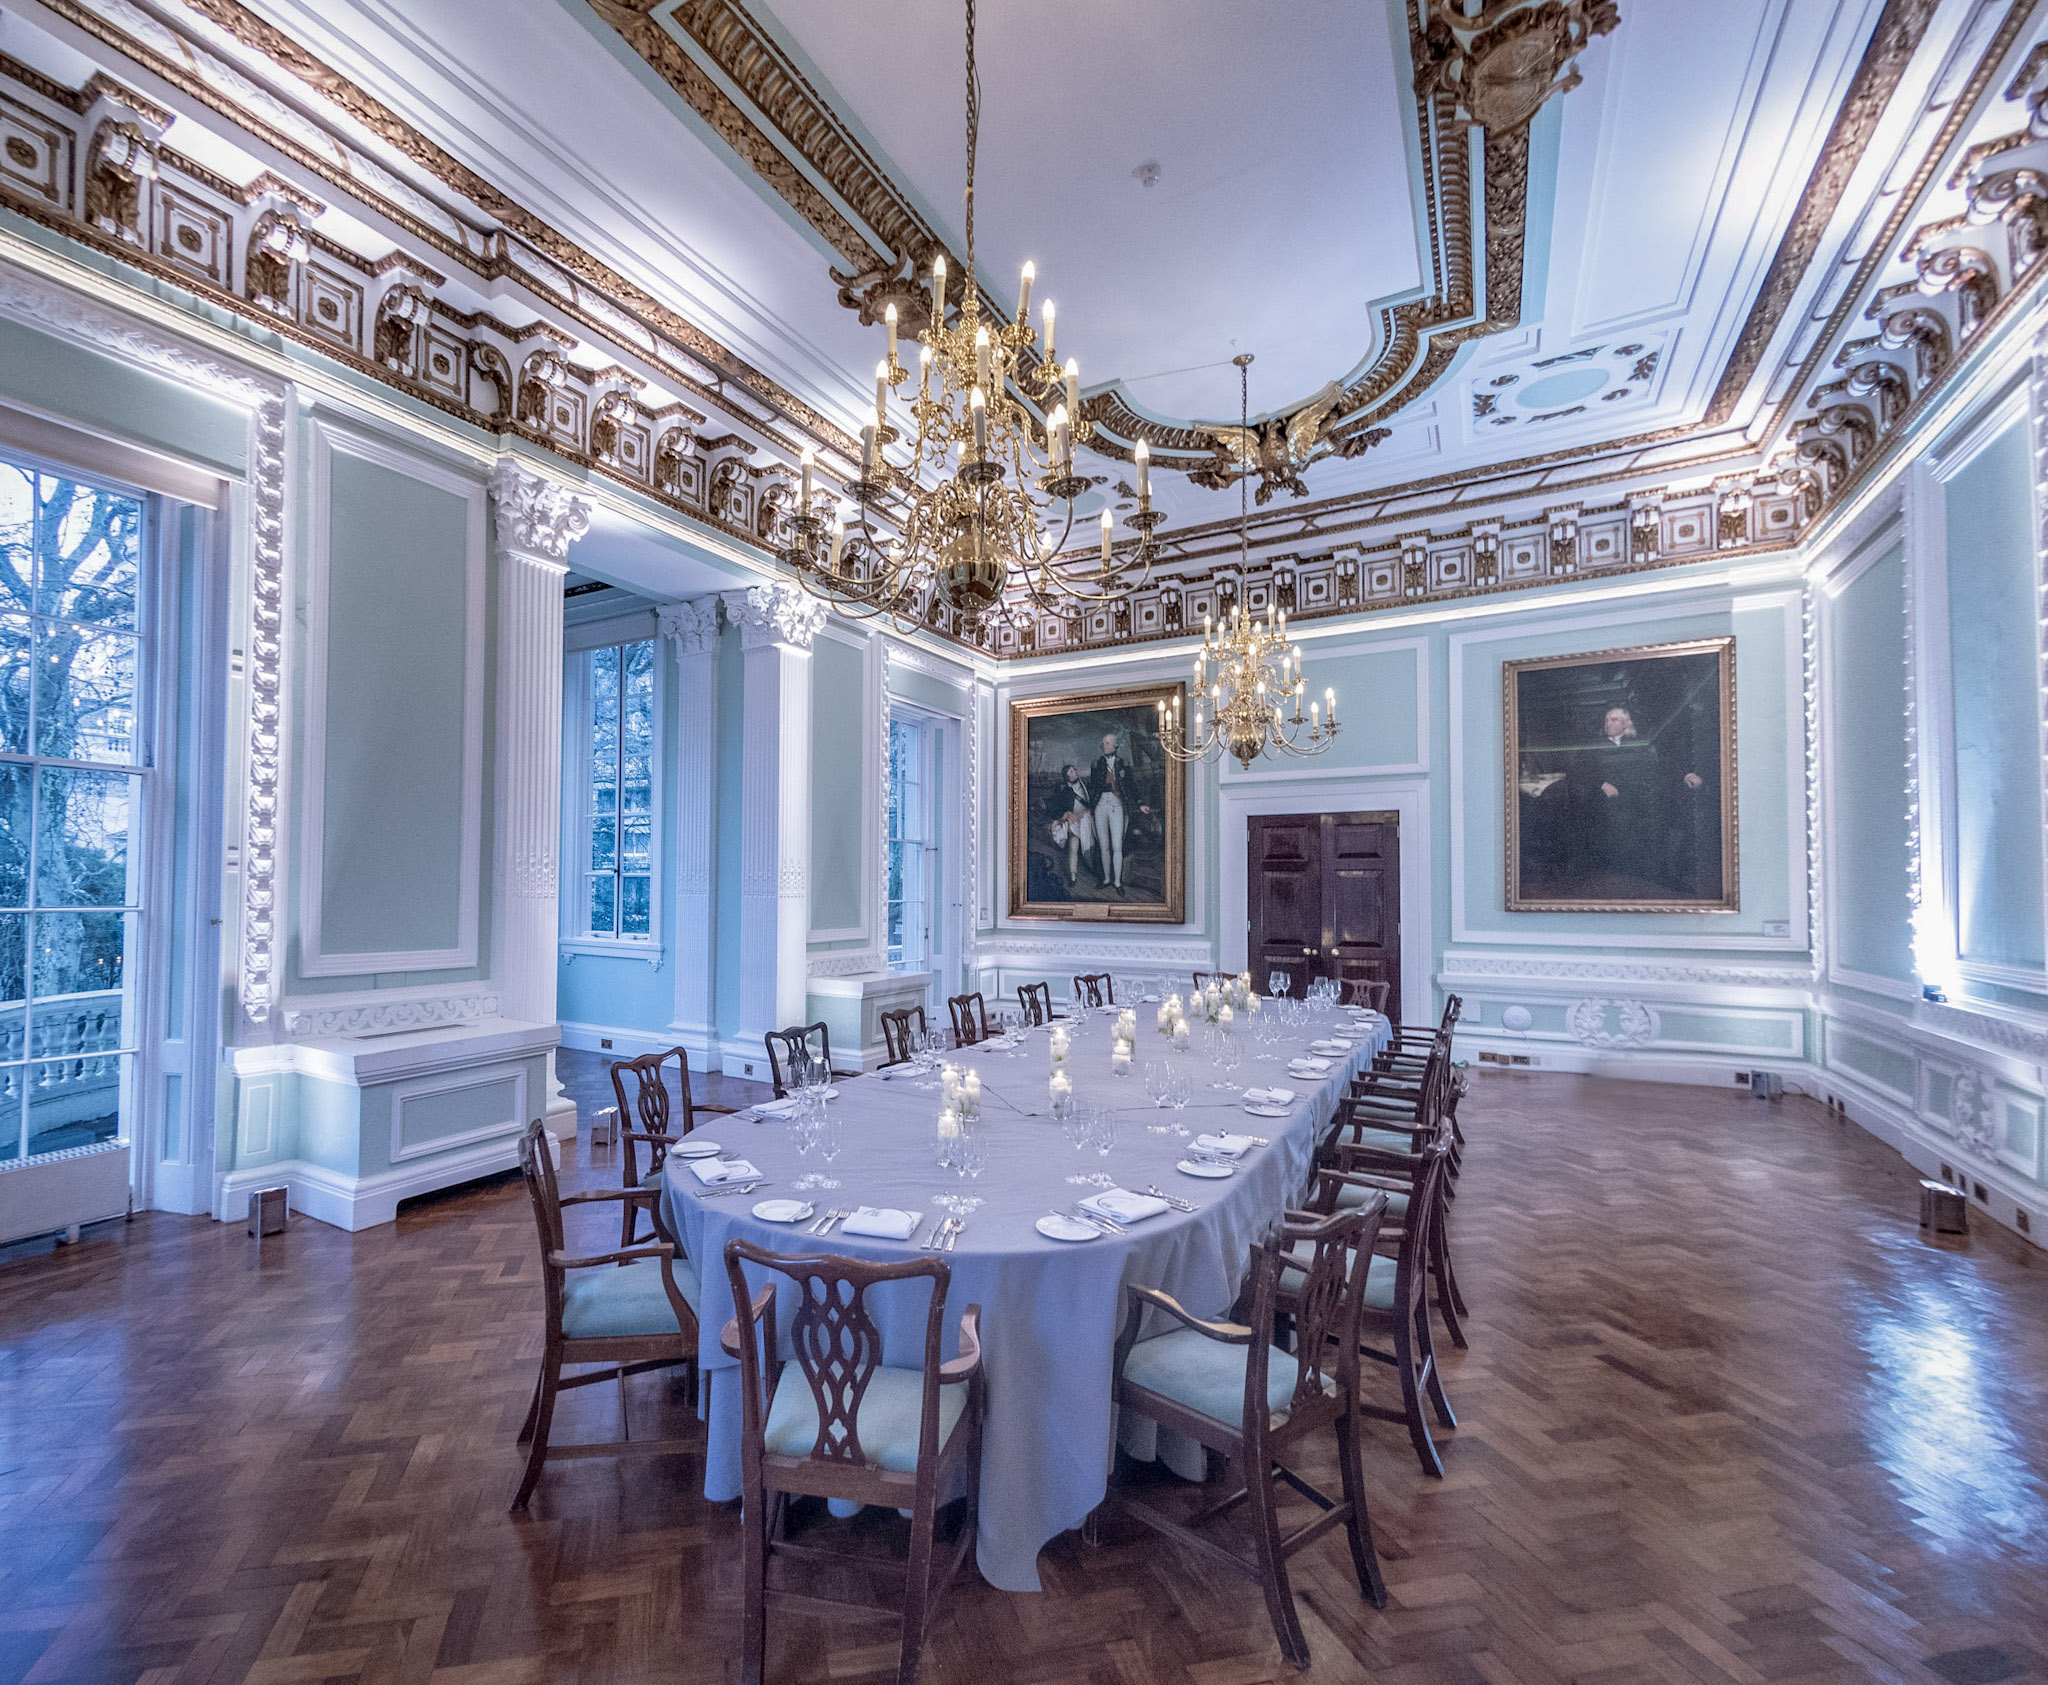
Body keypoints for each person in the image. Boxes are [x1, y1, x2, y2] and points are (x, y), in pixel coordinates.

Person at [1582, 706, 1703, 886]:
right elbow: (1579, 770)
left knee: (1672, 821)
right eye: (1607, 720)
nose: (1608, 723)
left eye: (1614, 719)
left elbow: (1664, 763)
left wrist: (1686, 774)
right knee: (1631, 829)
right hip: (1615, 801)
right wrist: (1601, 783)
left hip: (1645, 797)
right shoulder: (1594, 746)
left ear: (1626, 723)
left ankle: (1668, 871)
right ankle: (1652, 874)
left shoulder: (1639, 742)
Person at [1088, 731, 1153, 894]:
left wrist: (1140, 804)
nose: (1104, 746)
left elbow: (1131, 785)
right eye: (1103, 743)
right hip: (1100, 805)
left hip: (1117, 805)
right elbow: (1093, 788)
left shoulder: (1123, 764)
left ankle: (1117, 882)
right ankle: (1106, 879)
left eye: (1108, 743)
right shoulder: (1096, 764)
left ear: (1115, 746)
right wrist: (1091, 807)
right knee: (1103, 846)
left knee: (1117, 846)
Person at [1046, 764, 1096, 889]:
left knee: (1089, 847)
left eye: (1074, 770)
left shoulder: (1086, 786)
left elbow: (1092, 803)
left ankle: (1094, 870)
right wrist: (1067, 815)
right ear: (1067, 776)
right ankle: (1073, 876)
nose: (1075, 772)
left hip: (1087, 820)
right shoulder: (1065, 791)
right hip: (1074, 821)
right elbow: (1060, 808)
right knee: (1073, 848)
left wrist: (1084, 813)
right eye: (1071, 772)